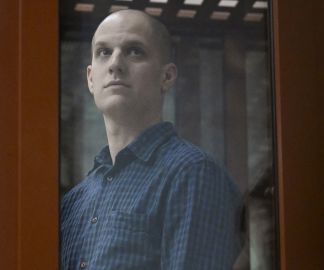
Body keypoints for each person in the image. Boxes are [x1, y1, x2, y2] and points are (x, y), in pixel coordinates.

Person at [60, 9, 242, 270]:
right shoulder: (74, 201)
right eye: (104, 52)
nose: (115, 64)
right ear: (91, 78)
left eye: (134, 51)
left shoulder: (193, 174)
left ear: (166, 76)